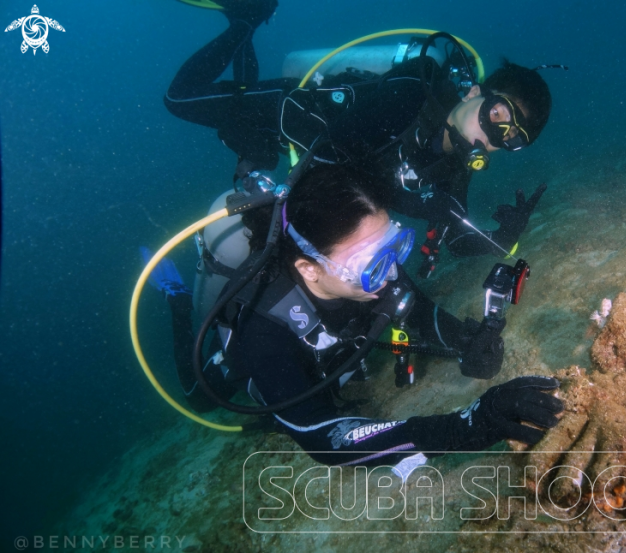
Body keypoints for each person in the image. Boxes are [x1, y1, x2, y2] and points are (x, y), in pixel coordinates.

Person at [159, 164, 564, 467]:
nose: (389, 273)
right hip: (252, 366)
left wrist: (466, 341)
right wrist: (466, 427)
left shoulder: (375, 269)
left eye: (395, 245)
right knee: (198, 397)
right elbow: (323, 438)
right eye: (370, 262)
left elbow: (420, 311)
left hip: (332, 350)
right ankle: (177, 301)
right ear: (309, 268)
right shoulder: (263, 330)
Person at [164, 0, 556, 268]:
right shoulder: (414, 89)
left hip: (291, 147)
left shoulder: (453, 167)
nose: (493, 135)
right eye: (498, 114)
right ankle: (247, 20)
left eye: (511, 139)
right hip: (292, 111)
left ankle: (244, 20)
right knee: (179, 99)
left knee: (252, 140)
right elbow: (335, 150)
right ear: (474, 93)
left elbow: (455, 239)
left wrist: (503, 237)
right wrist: (411, 202)